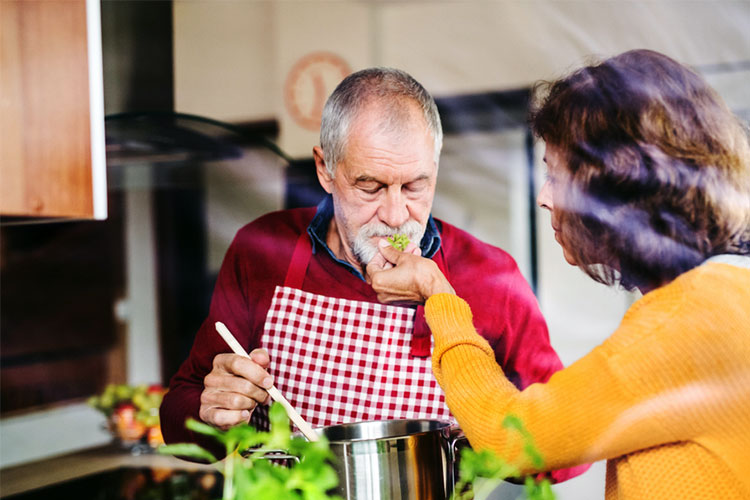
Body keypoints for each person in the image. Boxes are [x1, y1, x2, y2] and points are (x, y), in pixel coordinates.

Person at [160, 67, 587, 480]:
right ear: (325, 170)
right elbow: (180, 416)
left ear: (435, 170)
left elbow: (569, 448)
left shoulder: (492, 277)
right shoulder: (261, 251)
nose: (396, 215)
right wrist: (212, 413)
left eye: (415, 186)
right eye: (371, 187)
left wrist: (481, 435)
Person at [367, 49, 750, 498]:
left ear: (612, 184)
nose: (545, 197)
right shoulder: (724, 294)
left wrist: (438, 294)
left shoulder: (690, 321)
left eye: (555, 173)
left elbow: (508, 439)